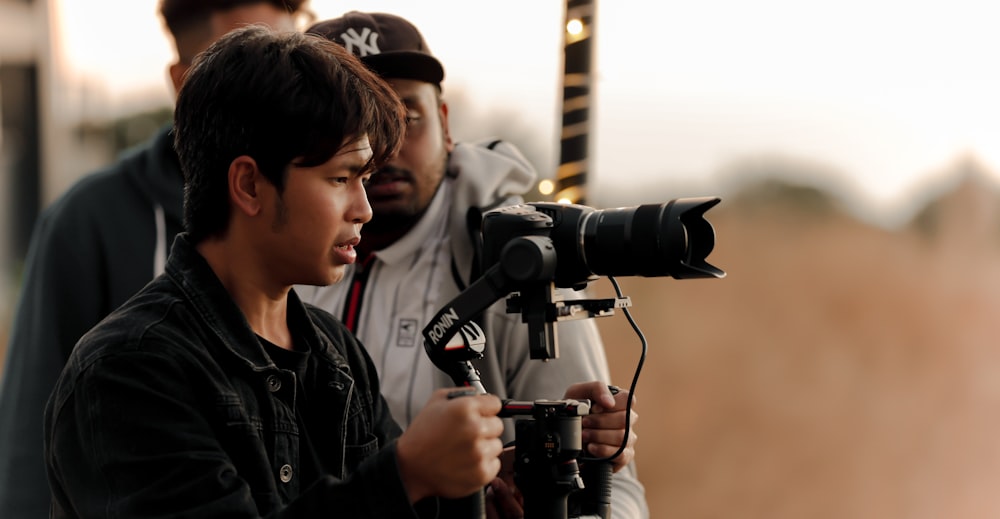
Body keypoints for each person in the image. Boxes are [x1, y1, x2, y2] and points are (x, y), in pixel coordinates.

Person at [44, 25, 632, 518]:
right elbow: (380, 493)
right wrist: (404, 476)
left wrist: (492, 484)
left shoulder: (334, 354)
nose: (364, 207)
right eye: (339, 178)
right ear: (249, 184)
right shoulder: (128, 371)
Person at [303, 11, 650, 518]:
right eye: (346, 125)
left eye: (405, 116)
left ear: (445, 124)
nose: (381, 147)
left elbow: (614, 487)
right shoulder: (268, 265)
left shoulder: (520, 260)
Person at [0, 2, 312, 517]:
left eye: (298, 56)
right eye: (253, 59)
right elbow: (31, 436)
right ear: (185, 78)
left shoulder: (338, 222)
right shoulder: (89, 220)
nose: (289, 88)